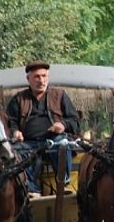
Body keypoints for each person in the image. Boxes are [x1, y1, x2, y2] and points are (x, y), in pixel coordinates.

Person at [7, 60, 80, 198]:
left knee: (62, 143)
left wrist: (62, 125)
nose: (41, 80)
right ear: (28, 79)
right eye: (37, 77)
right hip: (28, 143)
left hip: (53, 140)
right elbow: (10, 123)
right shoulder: (18, 99)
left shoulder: (60, 95)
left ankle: (63, 185)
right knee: (15, 150)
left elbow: (75, 121)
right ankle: (32, 190)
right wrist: (15, 132)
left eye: (44, 76)